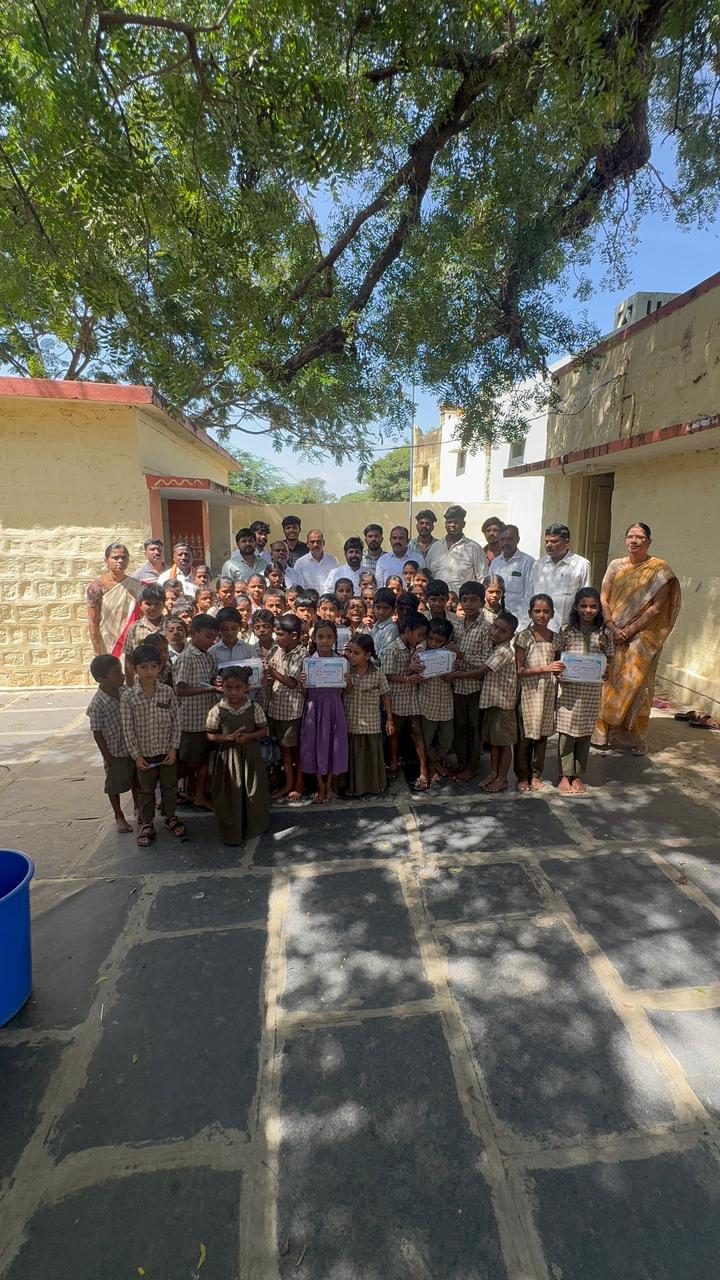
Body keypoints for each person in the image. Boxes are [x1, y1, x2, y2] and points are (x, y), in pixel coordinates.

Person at [594, 522, 681, 756]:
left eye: (640, 537)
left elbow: (657, 608)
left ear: (649, 541)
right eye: (631, 536)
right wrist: (613, 626)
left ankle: (636, 737)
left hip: (643, 637)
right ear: (625, 540)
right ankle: (603, 732)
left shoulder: (660, 569)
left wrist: (629, 630)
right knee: (609, 680)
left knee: (638, 684)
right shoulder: (615, 566)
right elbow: (603, 599)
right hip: (613, 632)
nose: (635, 540)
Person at [120, 642, 183, 847]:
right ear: (134, 668)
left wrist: (173, 748)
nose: (149, 671)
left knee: (169, 786)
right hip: (144, 754)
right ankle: (147, 823)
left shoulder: (167, 692)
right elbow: (128, 729)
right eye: (143, 667)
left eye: (154, 666)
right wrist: (137, 756)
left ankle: (170, 816)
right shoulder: (129, 696)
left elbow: (176, 721)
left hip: (166, 752)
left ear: (160, 667)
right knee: (146, 790)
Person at [556, 588, 614, 794]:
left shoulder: (604, 633)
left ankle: (577, 775)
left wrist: (605, 671)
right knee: (566, 730)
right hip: (569, 689)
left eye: (593, 606)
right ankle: (564, 774)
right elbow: (557, 655)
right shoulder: (566, 630)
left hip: (591, 690)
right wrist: (559, 671)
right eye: (583, 606)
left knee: (584, 732)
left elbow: (610, 657)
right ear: (575, 607)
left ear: (599, 609)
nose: (588, 610)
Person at [206, 666, 270, 844]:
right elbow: (210, 735)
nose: (233, 692)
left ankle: (253, 825)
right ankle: (232, 827)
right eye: (228, 688)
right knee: (230, 792)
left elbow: (263, 730)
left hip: (250, 756)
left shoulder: (254, 707)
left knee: (252, 790)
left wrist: (249, 736)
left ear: (247, 687)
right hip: (228, 759)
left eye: (238, 688)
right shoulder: (217, 710)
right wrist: (227, 737)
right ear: (222, 687)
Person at [514, 594, 563, 792]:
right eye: (537, 611)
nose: (541, 615)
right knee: (525, 737)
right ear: (530, 613)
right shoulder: (524, 637)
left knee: (542, 737)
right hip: (528, 693)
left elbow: (559, 667)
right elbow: (520, 670)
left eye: (546, 611)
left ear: (552, 614)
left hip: (547, 693)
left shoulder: (556, 639)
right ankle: (522, 775)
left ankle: (536, 774)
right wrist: (546, 668)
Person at [444, 580, 492, 782]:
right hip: (457, 686)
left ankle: (472, 767)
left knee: (475, 729)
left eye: (473, 600)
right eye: (465, 600)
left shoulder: (487, 628)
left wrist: (461, 655)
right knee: (459, 728)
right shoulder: (456, 625)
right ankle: (462, 763)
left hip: (475, 688)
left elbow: (485, 661)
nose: (469, 604)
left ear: (481, 602)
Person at [300, 620, 350, 803]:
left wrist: (348, 680)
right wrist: (302, 682)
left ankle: (329, 784)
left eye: (329, 637)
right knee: (314, 746)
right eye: (320, 637)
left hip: (334, 709)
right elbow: (304, 692)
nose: (324, 641)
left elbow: (347, 690)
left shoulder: (341, 661)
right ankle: (319, 785)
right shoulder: (308, 663)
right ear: (314, 638)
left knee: (332, 747)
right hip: (314, 710)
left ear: (335, 639)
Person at [174, 613, 220, 808]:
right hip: (191, 721)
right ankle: (185, 792)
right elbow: (180, 689)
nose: (211, 641)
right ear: (193, 633)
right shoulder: (186, 658)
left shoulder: (208, 656)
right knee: (189, 761)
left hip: (207, 718)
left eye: (213, 637)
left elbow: (210, 680)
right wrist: (208, 688)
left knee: (203, 759)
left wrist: (215, 683)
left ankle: (199, 794)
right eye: (208, 636)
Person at [86, 654, 137, 832]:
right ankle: (119, 815)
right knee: (114, 784)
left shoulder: (124, 691)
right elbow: (97, 733)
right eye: (116, 673)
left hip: (132, 747)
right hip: (115, 751)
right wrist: (107, 756)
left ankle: (137, 807)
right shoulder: (97, 704)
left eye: (121, 671)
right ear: (101, 679)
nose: (122, 676)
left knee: (135, 779)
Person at [380, 611, 430, 789]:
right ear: (407, 631)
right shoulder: (391, 650)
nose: (421, 639)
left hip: (414, 700)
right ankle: (393, 763)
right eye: (419, 635)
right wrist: (407, 677)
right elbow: (385, 676)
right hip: (397, 699)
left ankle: (424, 770)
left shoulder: (415, 648)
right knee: (394, 734)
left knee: (417, 733)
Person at [343, 634, 393, 796]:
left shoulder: (377, 673)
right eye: (349, 651)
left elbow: (385, 695)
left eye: (356, 653)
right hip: (351, 721)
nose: (351, 655)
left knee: (371, 756)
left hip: (371, 723)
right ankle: (354, 787)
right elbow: (344, 692)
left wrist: (390, 720)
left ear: (367, 655)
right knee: (354, 756)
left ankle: (373, 786)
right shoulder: (344, 671)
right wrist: (347, 683)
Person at [477, 611, 519, 792]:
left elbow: (481, 671)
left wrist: (455, 675)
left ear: (511, 635)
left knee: (503, 743)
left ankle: (502, 778)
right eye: (494, 627)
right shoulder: (494, 648)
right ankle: (493, 773)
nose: (495, 633)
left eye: (502, 631)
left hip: (503, 705)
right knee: (494, 742)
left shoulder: (503, 651)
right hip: (492, 703)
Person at [266, 613, 307, 800]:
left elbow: (292, 682)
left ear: (294, 636)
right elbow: (269, 666)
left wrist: (272, 672)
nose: (277, 638)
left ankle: (297, 783)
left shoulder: (302, 654)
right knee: (284, 748)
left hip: (292, 710)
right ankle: (288, 782)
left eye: (281, 634)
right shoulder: (276, 648)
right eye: (276, 634)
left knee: (295, 749)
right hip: (276, 707)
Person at [529, 524, 591, 632]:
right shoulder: (538, 565)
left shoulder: (581, 564)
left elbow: (586, 601)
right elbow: (529, 596)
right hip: (539, 630)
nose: (548, 545)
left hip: (567, 630)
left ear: (566, 543)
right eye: (546, 541)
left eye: (554, 542)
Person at [417, 617, 456, 782]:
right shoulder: (420, 651)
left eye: (438, 641)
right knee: (426, 738)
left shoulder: (450, 653)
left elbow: (454, 673)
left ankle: (440, 758)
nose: (433, 643)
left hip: (446, 702)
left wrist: (451, 675)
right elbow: (416, 672)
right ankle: (432, 765)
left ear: (446, 641)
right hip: (427, 703)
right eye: (431, 639)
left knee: (446, 737)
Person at [86, 543, 141, 658]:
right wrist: (97, 651)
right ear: (106, 561)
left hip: (131, 642)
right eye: (115, 558)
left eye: (124, 557)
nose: (120, 561)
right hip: (107, 643)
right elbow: (93, 622)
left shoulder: (136, 586)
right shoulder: (97, 587)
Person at [425, 506, 488, 593]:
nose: (452, 525)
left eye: (455, 522)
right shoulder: (435, 548)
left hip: (464, 603)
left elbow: (482, 578)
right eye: (449, 522)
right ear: (445, 524)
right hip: (438, 602)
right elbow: (427, 577)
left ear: (463, 524)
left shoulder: (473, 548)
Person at [123, 583, 167, 685]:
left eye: (157, 604)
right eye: (148, 603)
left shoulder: (170, 626)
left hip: (167, 680)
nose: (153, 607)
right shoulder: (134, 628)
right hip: (141, 682)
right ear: (140, 605)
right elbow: (129, 659)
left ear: (163, 604)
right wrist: (130, 685)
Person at [493, 525, 534, 623]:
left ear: (518, 540)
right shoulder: (495, 562)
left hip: (517, 621)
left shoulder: (528, 562)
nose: (505, 543)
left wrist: (523, 624)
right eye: (502, 539)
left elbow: (530, 595)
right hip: (496, 619)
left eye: (510, 539)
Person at [371, 588, 399, 656]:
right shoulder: (376, 626)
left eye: (386, 608)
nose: (381, 612)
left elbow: (383, 655)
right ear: (373, 607)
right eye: (378, 607)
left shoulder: (391, 628)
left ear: (393, 610)